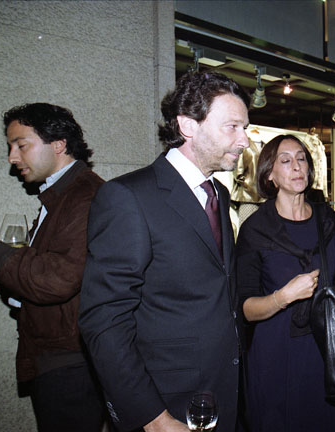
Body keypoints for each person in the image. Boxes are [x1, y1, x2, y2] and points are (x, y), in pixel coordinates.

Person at [78, 71, 250, 432]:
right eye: (232, 127)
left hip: (223, 392)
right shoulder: (127, 197)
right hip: (165, 402)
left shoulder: (218, 194)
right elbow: (104, 320)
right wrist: (153, 418)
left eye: (245, 128)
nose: (244, 140)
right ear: (188, 125)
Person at [235, 134, 335, 431]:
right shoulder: (255, 229)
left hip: (330, 351)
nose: (297, 166)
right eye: (286, 161)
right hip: (277, 357)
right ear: (270, 174)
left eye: (301, 159)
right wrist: (283, 296)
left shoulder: (327, 219)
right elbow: (245, 308)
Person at [0, 103, 105, 431]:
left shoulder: (85, 196)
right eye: (11, 147)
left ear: (58, 144)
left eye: (21, 145)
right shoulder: (60, 195)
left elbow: (56, 279)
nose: (12, 157)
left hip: (71, 363)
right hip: (57, 357)